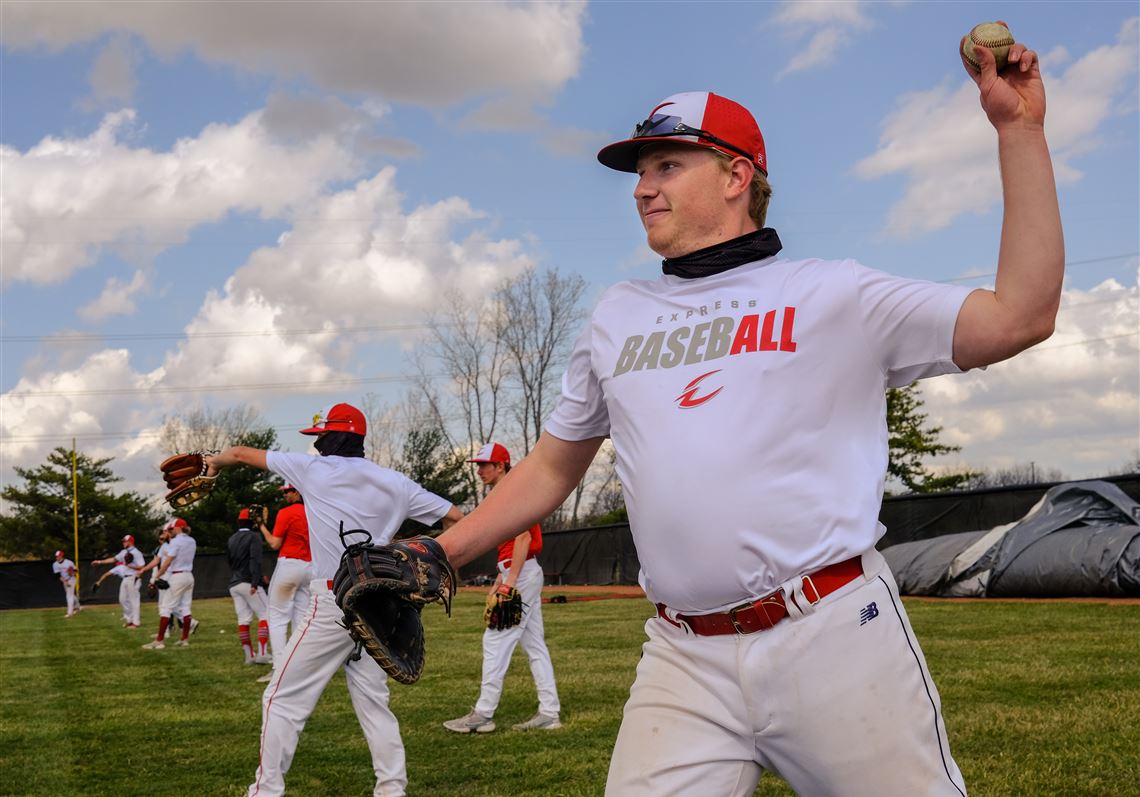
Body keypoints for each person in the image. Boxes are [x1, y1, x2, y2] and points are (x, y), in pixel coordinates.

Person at [433, 33, 1062, 797]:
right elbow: (552, 465)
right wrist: (443, 550)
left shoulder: (832, 293)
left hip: (831, 633)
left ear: (737, 174)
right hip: (682, 654)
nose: (642, 186)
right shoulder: (617, 315)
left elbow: (1020, 314)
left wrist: (1018, 132)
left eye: (667, 164)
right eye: (641, 170)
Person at [202, 401, 464, 797]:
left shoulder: (313, 470)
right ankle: (392, 790)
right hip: (381, 601)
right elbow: (457, 518)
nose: (318, 443)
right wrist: (420, 557)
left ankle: (265, 791)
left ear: (334, 436)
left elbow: (240, 454)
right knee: (375, 702)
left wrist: (214, 461)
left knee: (282, 698)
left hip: (334, 602)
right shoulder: (395, 482)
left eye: (322, 435)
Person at [444, 442, 561, 733]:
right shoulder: (505, 492)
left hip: (521, 572)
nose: (480, 470)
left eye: (486, 465)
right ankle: (550, 712)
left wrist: (510, 582)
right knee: (534, 645)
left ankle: (483, 715)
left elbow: (522, 538)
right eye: (479, 465)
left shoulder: (512, 492)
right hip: (518, 570)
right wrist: (501, 577)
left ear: (501, 466)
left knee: (496, 640)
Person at [256, 483, 312, 684]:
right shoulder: (314, 510)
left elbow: (274, 543)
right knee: (301, 619)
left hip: (290, 564)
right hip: (310, 566)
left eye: (287, 491)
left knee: (277, 618)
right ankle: (300, 668)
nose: (285, 495)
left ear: (297, 491)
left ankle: (279, 670)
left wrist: (262, 526)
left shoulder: (287, 512)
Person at [142, 516, 197, 650]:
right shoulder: (192, 541)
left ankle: (159, 641)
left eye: (171, 529)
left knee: (165, 608)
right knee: (185, 607)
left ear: (178, 528)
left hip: (177, 576)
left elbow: (168, 561)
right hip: (189, 575)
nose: (169, 531)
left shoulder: (175, 542)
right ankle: (184, 640)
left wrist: (156, 577)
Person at [227, 507, 272, 668]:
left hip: (234, 583)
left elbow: (231, 562)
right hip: (249, 582)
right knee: (266, 615)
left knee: (243, 620)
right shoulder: (254, 536)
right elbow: (255, 560)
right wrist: (256, 581)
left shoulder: (232, 538)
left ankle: (249, 656)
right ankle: (262, 653)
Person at [91, 534, 145, 628]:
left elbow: (142, 566)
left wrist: (130, 566)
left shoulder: (137, 553)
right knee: (122, 600)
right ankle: (129, 620)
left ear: (131, 542)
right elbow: (113, 559)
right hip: (125, 578)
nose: (123, 542)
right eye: (123, 541)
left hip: (133, 577)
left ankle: (136, 622)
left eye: (125, 541)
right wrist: (99, 562)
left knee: (134, 600)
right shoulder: (123, 552)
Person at [51, 550, 80, 618]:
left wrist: (72, 573)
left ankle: (70, 613)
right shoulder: (55, 564)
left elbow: (76, 570)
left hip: (72, 579)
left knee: (69, 596)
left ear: (61, 556)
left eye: (58, 556)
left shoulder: (69, 562)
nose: (57, 557)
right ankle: (77, 606)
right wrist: (65, 582)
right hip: (64, 580)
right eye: (56, 556)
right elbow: (58, 575)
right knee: (71, 594)